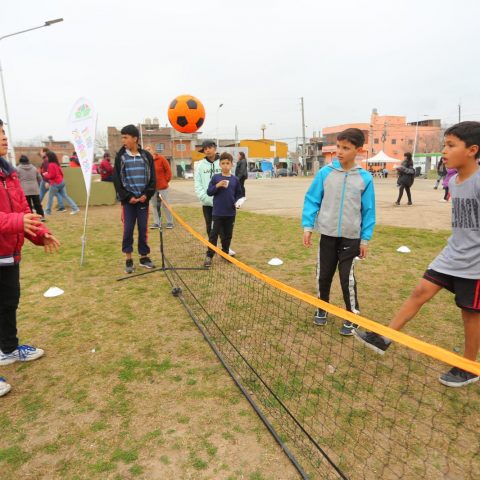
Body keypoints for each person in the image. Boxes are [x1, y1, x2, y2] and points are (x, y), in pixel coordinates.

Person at [354, 121, 480, 387]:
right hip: (451, 254)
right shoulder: (454, 181)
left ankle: (469, 366)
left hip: (475, 265)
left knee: (470, 314)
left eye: (451, 145)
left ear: (472, 150)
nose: (444, 151)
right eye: (444, 145)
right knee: (420, 291)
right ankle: (385, 337)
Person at [0, 119, 60, 398]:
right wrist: (17, 222)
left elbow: (24, 210)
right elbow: (16, 218)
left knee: (9, 302)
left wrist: (41, 234)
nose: (4, 138)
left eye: (3, 132)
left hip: (8, 254)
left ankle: (8, 349)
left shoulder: (9, 173)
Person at [302, 128, 376, 336]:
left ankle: (352, 316)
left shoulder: (365, 178)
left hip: (351, 238)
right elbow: (312, 200)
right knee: (323, 275)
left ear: (358, 150)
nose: (340, 152)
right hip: (327, 234)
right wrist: (308, 227)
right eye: (338, 147)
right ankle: (322, 307)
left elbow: (368, 210)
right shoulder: (325, 173)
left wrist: (365, 239)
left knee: (346, 278)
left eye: (346, 148)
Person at [113, 124, 156, 274]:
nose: (123, 140)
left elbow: (152, 180)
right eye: (122, 138)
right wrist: (128, 197)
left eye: (126, 137)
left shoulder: (146, 156)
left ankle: (144, 257)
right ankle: (129, 259)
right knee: (128, 230)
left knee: (143, 229)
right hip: (128, 203)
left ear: (135, 138)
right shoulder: (120, 157)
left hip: (143, 201)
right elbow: (117, 181)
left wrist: (146, 195)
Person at [203, 153, 243, 267]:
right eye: (223, 163)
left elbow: (239, 194)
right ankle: (209, 255)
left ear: (231, 165)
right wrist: (217, 185)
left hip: (230, 213)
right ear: (220, 164)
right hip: (217, 213)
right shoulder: (216, 178)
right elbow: (209, 192)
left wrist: (238, 202)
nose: (225, 165)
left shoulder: (235, 179)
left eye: (228, 163)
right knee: (213, 234)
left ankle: (225, 253)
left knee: (227, 235)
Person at [194, 139, 221, 236]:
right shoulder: (200, 165)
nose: (208, 150)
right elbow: (197, 182)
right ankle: (211, 244)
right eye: (205, 149)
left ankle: (224, 244)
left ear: (215, 148)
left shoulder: (223, 162)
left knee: (222, 226)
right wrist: (203, 197)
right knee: (209, 226)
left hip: (221, 201)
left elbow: (229, 179)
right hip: (207, 201)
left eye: (210, 147)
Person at [43, 151, 80, 215]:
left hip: (55, 183)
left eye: (46, 157)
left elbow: (52, 175)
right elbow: (61, 173)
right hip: (61, 182)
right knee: (65, 196)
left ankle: (47, 211)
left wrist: (46, 175)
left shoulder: (51, 165)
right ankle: (75, 208)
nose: (46, 158)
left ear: (49, 157)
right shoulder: (56, 164)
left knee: (50, 198)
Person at [145, 145, 173, 229]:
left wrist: (165, 181)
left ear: (153, 150)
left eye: (149, 149)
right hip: (152, 188)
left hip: (163, 187)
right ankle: (156, 222)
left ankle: (169, 222)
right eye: (146, 150)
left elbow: (168, 171)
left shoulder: (161, 159)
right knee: (154, 205)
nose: (147, 151)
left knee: (165, 205)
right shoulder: (145, 161)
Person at [16, 155, 45, 221]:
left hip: (24, 189)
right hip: (34, 188)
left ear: (20, 161)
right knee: (37, 204)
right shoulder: (34, 168)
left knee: (28, 205)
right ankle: (41, 216)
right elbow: (40, 178)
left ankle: (31, 218)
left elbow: (16, 179)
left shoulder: (18, 169)